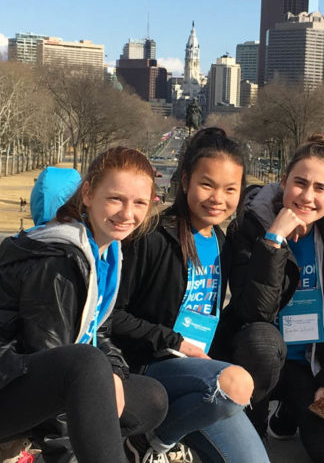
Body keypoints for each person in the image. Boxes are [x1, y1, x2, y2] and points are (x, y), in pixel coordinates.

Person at [0, 147, 169, 463]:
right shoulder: (58, 261)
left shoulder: (106, 253)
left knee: (151, 399)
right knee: (87, 365)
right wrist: (65, 454)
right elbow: (56, 360)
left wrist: (115, 374)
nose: (126, 213)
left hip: (17, 383)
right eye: (116, 198)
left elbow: (99, 333)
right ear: (88, 194)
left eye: (139, 203)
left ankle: (23, 443)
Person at [110, 127, 267, 463]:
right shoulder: (151, 238)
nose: (217, 199)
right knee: (235, 383)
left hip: (201, 384)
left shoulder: (222, 243)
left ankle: (164, 438)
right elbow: (110, 316)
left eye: (230, 189)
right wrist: (173, 340)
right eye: (207, 185)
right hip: (149, 368)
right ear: (185, 182)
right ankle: (154, 441)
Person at [218, 133, 324, 462]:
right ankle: (252, 424)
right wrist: (273, 241)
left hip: (306, 362)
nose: (308, 196)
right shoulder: (248, 225)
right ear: (283, 181)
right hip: (251, 360)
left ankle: (288, 413)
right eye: (300, 183)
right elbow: (254, 311)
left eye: (321, 188)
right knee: (264, 342)